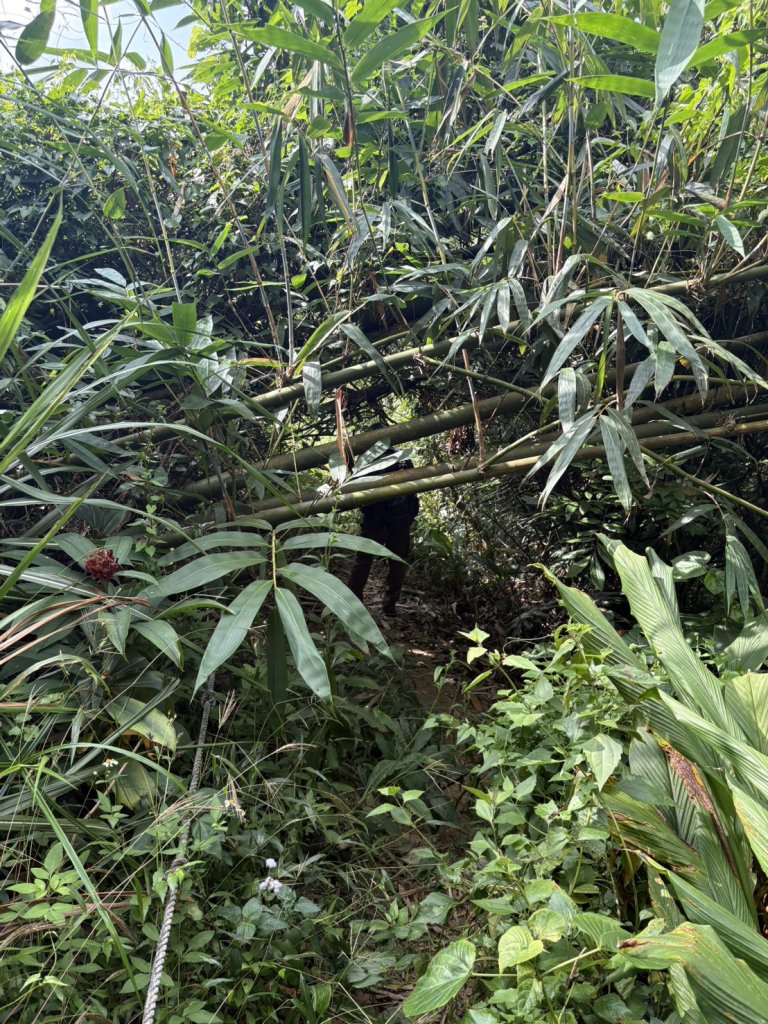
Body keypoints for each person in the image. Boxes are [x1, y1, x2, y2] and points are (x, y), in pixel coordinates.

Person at [347, 452, 419, 616]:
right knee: (397, 563)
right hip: (399, 521)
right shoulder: (403, 459)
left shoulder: (367, 460)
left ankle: (354, 603)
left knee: (364, 561)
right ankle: (389, 606)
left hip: (376, 520)